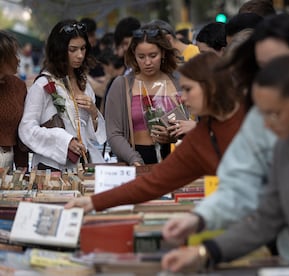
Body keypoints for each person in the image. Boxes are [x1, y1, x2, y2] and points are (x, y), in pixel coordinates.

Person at [162, 13, 289, 264]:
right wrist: (205, 241)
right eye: (263, 67)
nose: (268, 123)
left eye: (278, 63)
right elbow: (260, 204)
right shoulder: (277, 129)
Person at [65, 52, 245, 215]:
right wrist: (93, 202)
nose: (182, 97)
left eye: (188, 89)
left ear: (211, 87)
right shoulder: (201, 135)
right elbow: (155, 181)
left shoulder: (250, 122)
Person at [18, 19, 106, 171]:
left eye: (83, 48)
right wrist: (65, 140)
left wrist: (93, 113)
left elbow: (92, 136)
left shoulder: (84, 83)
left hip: (84, 166)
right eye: (73, 49)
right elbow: (26, 129)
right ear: (59, 50)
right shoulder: (43, 84)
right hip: (53, 168)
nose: (79, 55)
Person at [105, 24, 182, 165]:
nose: (147, 62)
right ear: (134, 55)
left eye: (153, 56)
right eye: (141, 56)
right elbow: (114, 133)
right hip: (135, 158)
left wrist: (171, 135)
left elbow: (189, 124)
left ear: (163, 53)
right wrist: (134, 159)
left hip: (174, 159)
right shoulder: (122, 85)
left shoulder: (177, 82)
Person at [0, 31, 28, 169]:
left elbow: (20, 132)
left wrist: (23, 170)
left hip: (7, 164)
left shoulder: (18, 86)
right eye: (14, 55)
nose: (18, 59)